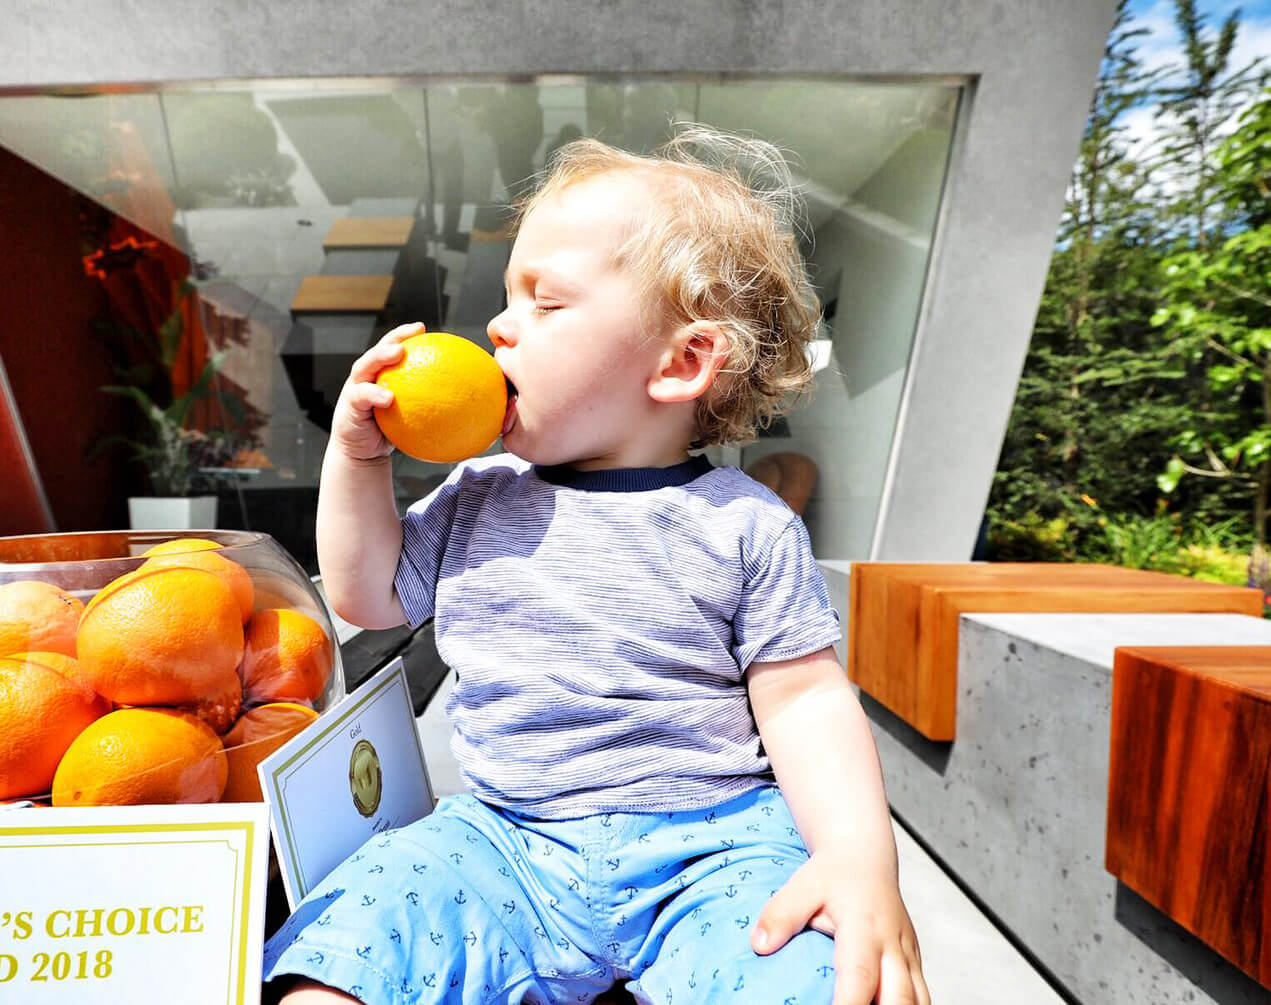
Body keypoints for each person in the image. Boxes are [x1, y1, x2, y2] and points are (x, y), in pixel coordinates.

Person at [265, 125, 929, 1005]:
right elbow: (367, 594)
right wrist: (357, 460)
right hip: (504, 839)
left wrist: (857, 854)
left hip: (713, 849)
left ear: (683, 361)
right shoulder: (478, 494)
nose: (498, 326)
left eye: (545, 302)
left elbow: (804, 699)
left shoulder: (743, 524)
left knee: (827, 976)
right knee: (349, 939)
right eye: (508, 297)